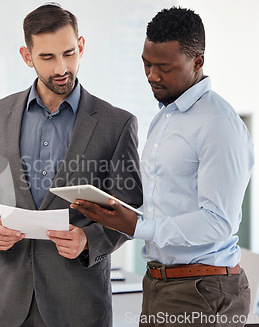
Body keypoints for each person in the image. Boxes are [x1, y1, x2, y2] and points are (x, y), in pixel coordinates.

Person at [0, 4, 142, 327]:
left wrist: (90, 240)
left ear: (81, 46)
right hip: (4, 303)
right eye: (47, 58)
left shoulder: (117, 124)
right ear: (27, 56)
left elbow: (130, 207)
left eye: (69, 53)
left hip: (79, 304)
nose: (62, 67)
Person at [72, 7, 254, 326]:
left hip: (203, 290)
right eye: (147, 64)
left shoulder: (219, 124)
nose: (152, 76)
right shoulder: (166, 117)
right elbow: (168, 206)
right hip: (161, 283)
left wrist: (138, 226)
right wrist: (117, 214)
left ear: (197, 62)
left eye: (164, 67)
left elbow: (219, 221)